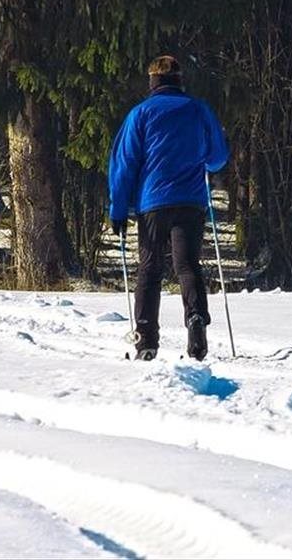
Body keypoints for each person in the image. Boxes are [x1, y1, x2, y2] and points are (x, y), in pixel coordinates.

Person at [108, 55, 229, 361]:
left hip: (152, 203)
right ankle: (196, 319)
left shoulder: (141, 114)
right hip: (190, 201)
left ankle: (146, 338)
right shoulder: (198, 109)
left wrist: (118, 209)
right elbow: (218, 157)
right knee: (187, 265)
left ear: (152, 82)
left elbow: (125, 165)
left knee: (150, 269)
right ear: (179, 80)